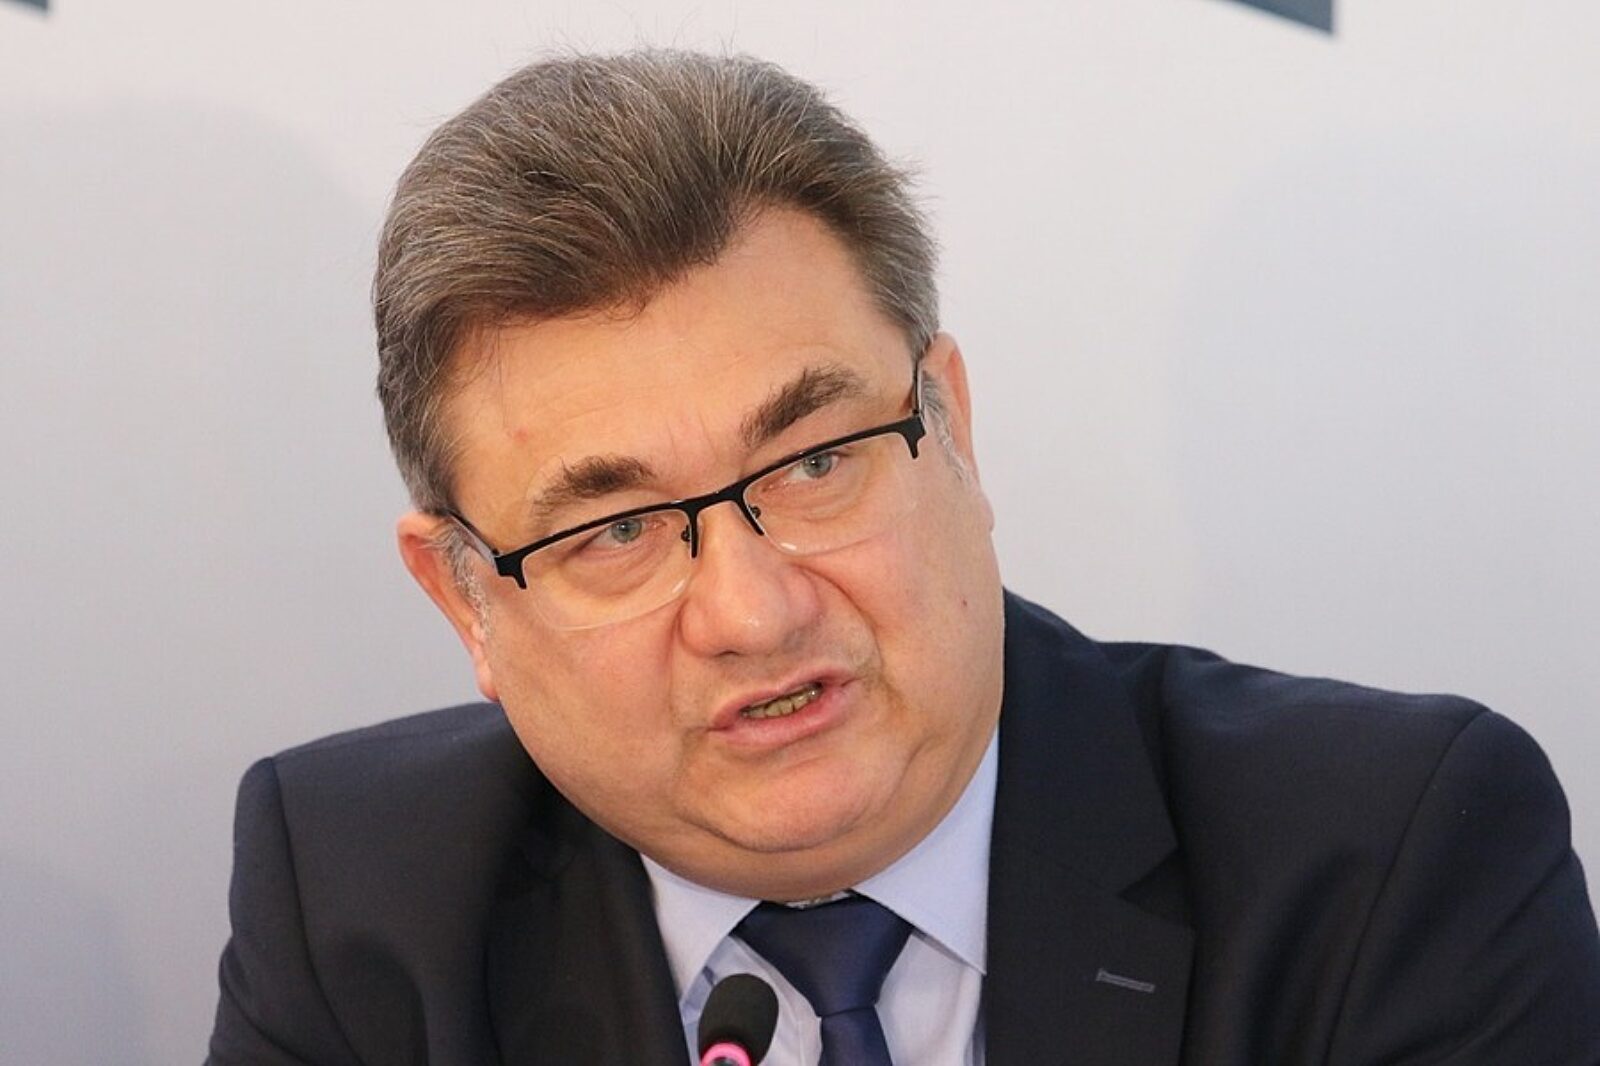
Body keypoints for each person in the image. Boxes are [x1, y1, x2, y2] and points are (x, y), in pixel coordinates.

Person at [207, 50, 1600, 1065]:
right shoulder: (360, 908)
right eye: (615, 531)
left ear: (952, 430)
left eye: (815, 462)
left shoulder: (1387, 862)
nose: (754, 611)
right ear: (465, 598)